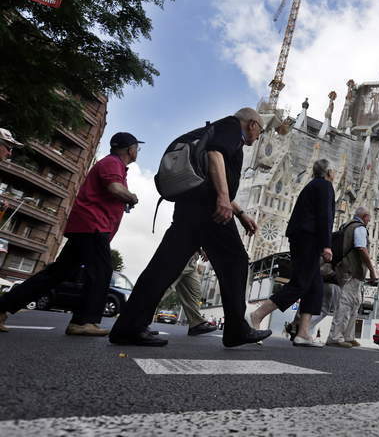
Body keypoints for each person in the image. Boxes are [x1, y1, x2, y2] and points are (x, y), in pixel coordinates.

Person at [110, 108, 271, 347]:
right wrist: (223, 199)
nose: (258, 137)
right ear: (252, 124)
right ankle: (236, 329)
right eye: (260, 131)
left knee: (164, 266)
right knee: (236, 262)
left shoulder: (217, 129)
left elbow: (211, 173)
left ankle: (128, 327)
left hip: (190, 207)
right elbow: (215, 154)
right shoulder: (231, 127)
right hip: (209, 210)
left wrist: (239, 212)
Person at [0, 131, 141, 336]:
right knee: (101, 271)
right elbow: (115, 188)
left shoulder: (114, 164)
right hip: (93, 225)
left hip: (86, 226)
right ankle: (84, 321)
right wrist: (132, 197)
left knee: (56, 274)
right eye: (137, 148)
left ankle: (3, 307)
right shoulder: (113, 163)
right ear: (130, 149)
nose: (137, 151)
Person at [248, 159, 335, 347]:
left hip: (302, 237)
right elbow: (325, 217)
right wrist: (326, 245)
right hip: (308, 239)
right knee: (300, 283)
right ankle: (257, 315)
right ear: (329, 172)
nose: (334, 174)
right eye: (333, 171)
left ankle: (302, 333)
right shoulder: (325, 186)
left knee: (315, 287)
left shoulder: (312, 186)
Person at [327, 207, 378, 348]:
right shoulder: (359, 228)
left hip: (351, 271)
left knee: (355, 303)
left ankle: (348, 336)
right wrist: (372, 270)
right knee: (345, 303)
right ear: (365, 216)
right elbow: (361, 248)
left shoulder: (346, 225)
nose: (369, 221)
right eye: (369, 219)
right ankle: (335, 337)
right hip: (351, 271)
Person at [172, 252, 217, 336]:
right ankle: (143, 320)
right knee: (165, 287)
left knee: (194, 291)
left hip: (193, 259)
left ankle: (195, 324)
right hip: (182, 253)